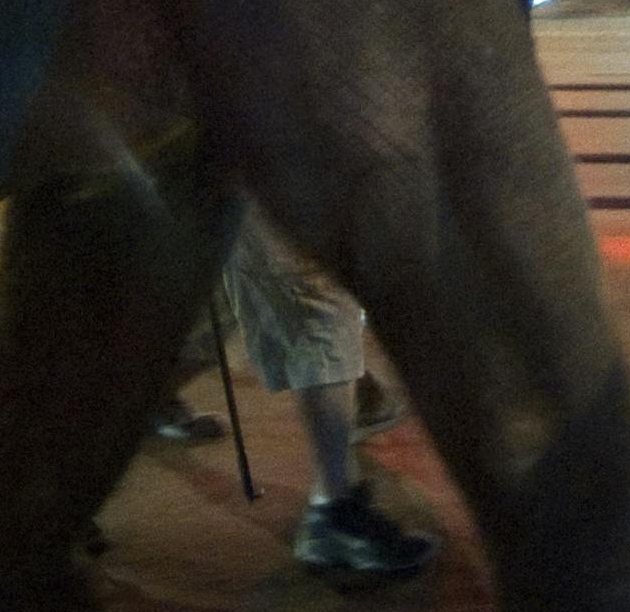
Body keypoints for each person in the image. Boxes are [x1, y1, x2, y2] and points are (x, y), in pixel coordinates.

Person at [157, 211, 434, 584]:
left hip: (224, 186)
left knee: (233, 301)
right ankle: (334, 513)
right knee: (312, 299)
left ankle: (149, 400)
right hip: (255, 180)